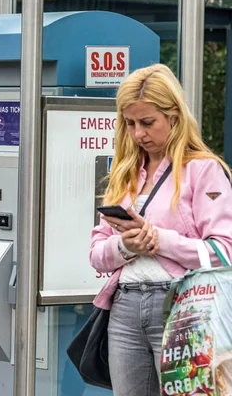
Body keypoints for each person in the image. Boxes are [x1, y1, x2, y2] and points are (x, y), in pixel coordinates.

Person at [90, 63, 232, 396]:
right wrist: (127, 246)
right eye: (130, 123)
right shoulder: (126, 173)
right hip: (124, 308)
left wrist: (159, 241)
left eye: (148, 122)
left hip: (185, 307)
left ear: (174, 116)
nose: (138, 133)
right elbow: (96, 254)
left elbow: (223, 251)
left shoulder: (203, 170)